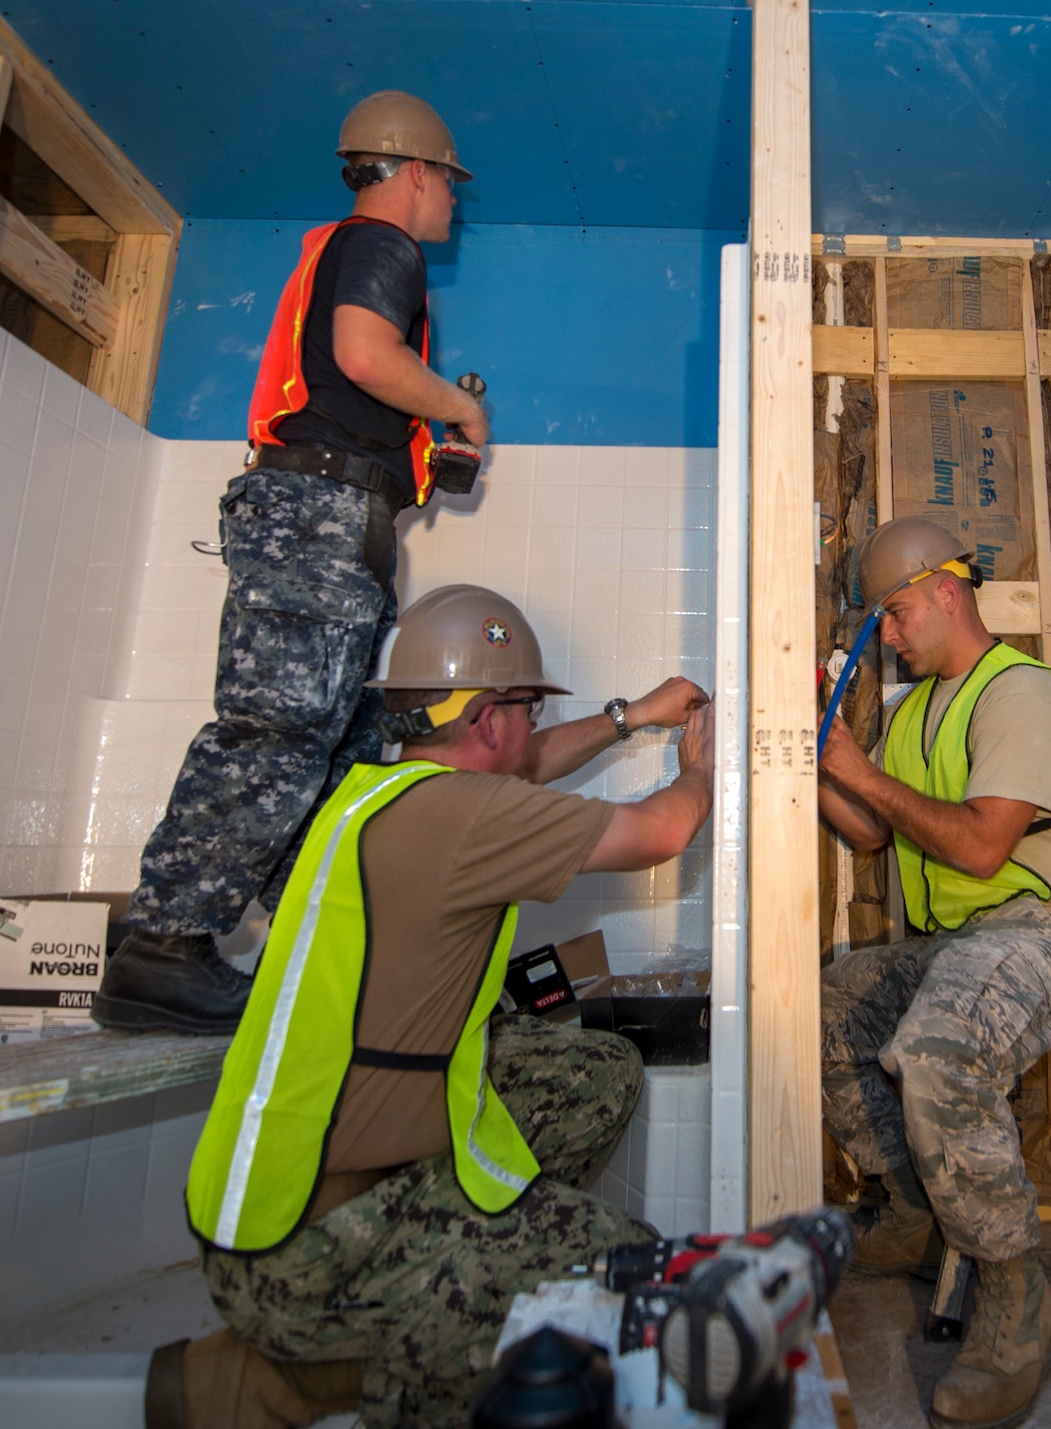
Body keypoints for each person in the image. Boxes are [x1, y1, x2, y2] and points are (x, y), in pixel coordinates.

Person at [159, 584, 714, 1427]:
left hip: (292, 1193)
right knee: (619, 1280)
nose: (529, 730)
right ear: (489, 716)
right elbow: (661, 832)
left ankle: (433, 1306)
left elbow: (530, 761)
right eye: (525, 708)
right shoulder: (465, 819)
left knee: (593, 1073)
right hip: (304, 1245)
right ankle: (297, 1376)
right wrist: (701, 768)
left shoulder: (379, 791)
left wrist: (629, 715)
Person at [95, 91, 497, 1034]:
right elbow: (364, 353)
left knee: (330, 742)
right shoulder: (380, 246)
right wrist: (460, 410)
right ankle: (163, 945)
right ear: (413, 171)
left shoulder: (355, 255)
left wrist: (409, 459)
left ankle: (294, 938)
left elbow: (343, 379)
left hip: (327, 515)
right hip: (315, 517)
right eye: (448, 182)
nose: (452, 203)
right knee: (278, 733)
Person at [816, 517, 1051, 1429]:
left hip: (1049, 933)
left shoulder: (1021, 690)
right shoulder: (915, 713)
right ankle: (911, 1209)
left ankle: (1015, 1296)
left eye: (898, 614)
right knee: (820, 1006)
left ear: (949, 590)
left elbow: (985, 845)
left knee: (943, 1049)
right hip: (958, 947)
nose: (894, 637)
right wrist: (813, 755)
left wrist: (855, 771)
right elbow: (873, 831)